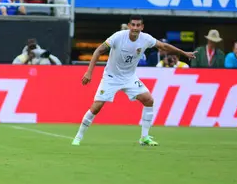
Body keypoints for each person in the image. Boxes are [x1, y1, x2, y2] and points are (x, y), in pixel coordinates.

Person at [72, 15, 196, 146]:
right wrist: (89, 72)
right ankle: (78, 137)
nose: (135, 28)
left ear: (142, 27)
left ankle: (144, 137)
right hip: (111, 77)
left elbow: (164, 46)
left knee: (149, 100)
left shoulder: (146, 39)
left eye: (138, 25)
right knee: (97, 107)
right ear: (129, 26)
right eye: (133, 25)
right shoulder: (118, 37)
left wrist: (184, 53)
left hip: (129, 77)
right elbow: (98, 51)